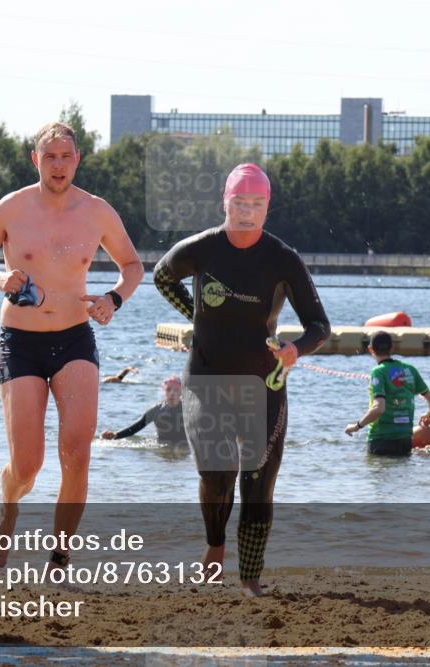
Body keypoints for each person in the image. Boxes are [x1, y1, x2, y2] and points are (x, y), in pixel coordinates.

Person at [0, 121, 144, 569]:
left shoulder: (97, 212)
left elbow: (133, 264)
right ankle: (8, 509)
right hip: (19, 343)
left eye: (66, 156)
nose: (58, 165)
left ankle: (59, 557)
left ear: (78, 160)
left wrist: (114, 298)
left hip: (75, 338)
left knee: (77, 454)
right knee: (27, 467)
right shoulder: (12, 208)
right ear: (35, 159)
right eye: (50, 156)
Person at [153, 163, 330, 597]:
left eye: (257, 204)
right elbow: (161, 276)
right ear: (224, 203)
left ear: (268, 208)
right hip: (206, 377)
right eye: (239, 203)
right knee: (217, 471)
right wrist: (193, 315)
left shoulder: (283, 259)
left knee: (257, 483)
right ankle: (215, 547)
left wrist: (295, 350)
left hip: (264, 383)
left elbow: (319, 326)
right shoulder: (203, 248)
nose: (247, 212)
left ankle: (250, 577)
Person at [345, 331, 430, 456]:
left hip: (381, 440)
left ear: (370, 349)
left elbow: (379, 408)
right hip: (405, 440)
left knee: (378, 471)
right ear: (392, 348)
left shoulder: (378, 372)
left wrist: (356, 426)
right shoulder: (409, 369)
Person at [101, 375, 187, 448]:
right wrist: (115, 435)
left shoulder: (188, 410)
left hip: (183, 447)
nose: (172, 393)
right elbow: (135, 428)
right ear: (164, 391)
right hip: (162, 448)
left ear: (181, 392)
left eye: (176, 390)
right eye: (168, 389)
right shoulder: (156, 410)